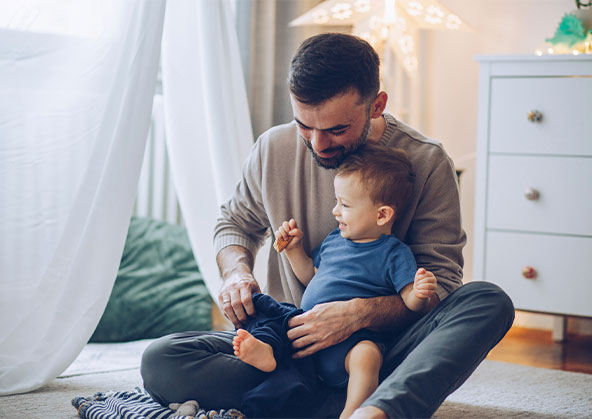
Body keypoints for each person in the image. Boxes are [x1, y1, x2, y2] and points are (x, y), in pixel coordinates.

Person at [141, 32, 515, 418]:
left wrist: (357, 314)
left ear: (376, 105)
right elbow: (234, 223)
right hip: (288, 348)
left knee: (488, 302)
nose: (318, 144)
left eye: (337, 129)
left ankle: (374, 407)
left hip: (380, 352)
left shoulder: (425, 161)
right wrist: (236, 273)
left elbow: (443, 284)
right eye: (305, 126)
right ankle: (342, 404)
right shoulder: (273, 148)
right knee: (161, 360)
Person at [232, 144, 438, 419]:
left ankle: (353, 411)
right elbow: (311, 277)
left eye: (345, 205)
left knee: (367, 356)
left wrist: (421, 291)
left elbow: (408, 300)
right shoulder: (334, 241)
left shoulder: (393, 253)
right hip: (304, 336)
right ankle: (267, 352)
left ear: (382, 215)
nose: (335, 211)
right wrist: (294, 250)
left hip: (353, 343)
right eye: (337, 202)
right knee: (269, 312)